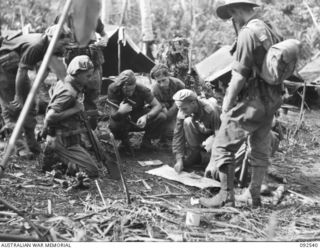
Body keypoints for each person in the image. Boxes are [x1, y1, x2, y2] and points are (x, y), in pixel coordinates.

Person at [200, 0, 283, 208]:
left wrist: (227, 105)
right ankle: (253, 195)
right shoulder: (267, 28)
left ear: (235, 10)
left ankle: (225, 196)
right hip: (271, 99)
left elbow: (238, 76)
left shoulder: (247, 33)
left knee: (222, 145)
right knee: (259, 147)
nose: (232, 20)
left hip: (253, 100)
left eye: (231, 15)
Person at [0, 26, 71, 156]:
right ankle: (20, 146)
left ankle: (31, 143)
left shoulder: (54, 48)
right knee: (13, 107)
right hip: (5, 63)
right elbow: (22, 71)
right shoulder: (37, 45)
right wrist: (18, 96)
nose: (65, 47)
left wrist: (33, 91)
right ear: (52, 39)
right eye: (63, 43)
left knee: (30, 105)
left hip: (18, 65)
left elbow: (43, 71)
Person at [41, 55, 99, 178]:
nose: (90, 79)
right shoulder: (69, 92)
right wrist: (75, 109)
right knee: (92, 171)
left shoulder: (67, 81)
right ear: (77, 74)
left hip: (68, 135)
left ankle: (57, 154)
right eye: (87, 76)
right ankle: (56, 155)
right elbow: (50, 117)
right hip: (62, 139)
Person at [107, 69, 166, 151]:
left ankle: (147, 141)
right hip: (122, 119)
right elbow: (113, 116)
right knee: (114, 125)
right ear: (122, 87)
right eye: (127, 90)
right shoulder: (113, 88)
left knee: (161, 116)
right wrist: (121, 111)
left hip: (138, 117)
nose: (130, 93)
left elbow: (157, 106)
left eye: (132, 90)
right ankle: (124, 142)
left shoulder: (142, 89)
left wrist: (146, 117)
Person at [172, 89, 221, 173]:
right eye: (179, 108)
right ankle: (195, 155)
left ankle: (213, 160)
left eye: (184, 109)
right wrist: (179, 159)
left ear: (193, 103)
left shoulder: (211, 110)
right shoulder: (182, 109)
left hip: (217, 133)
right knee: (187, 122)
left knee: (213, 162)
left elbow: (220, 136)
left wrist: (213, 162)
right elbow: (178, 135)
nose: (181, 111)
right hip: (203, 130)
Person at [150, 64, 185, 144]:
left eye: (164, 80)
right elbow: (157, 105)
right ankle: (162, 137)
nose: (162, 84)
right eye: (158, 81)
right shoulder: (155, 89)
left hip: (178, 108)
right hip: (164, 109)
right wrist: (165, 110)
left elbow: (183, 100)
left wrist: (174, 109)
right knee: (165, 122)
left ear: (168, 76)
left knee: (177, 130)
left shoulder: (179, 84)